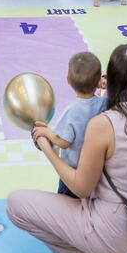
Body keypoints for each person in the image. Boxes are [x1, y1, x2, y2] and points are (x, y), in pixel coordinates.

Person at [8, 44, 127, 253]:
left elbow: (81, 187)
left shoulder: (103, 123)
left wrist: (47, 148)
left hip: (111, 228)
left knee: (15, 205)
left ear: (109, 79)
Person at [32, 52, 106, 198]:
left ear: (68, 80)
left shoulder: (72, 111)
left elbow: (63, 141)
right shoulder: (104, 103)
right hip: (95, 170)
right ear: (99, 82)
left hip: (73, 173)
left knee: (67, 203)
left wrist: (46, 132)